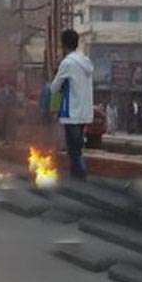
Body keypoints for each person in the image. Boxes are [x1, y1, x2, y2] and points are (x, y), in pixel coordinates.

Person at [51, 29, 94, 181]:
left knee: (73, 149)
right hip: (84, 113)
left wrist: (56, 70)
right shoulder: (86, 61)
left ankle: (80, 176)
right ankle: (76, 176)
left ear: (63, 45)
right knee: (77, 147)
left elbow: (55, 87)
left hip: (71, 112)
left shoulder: (67, 63)